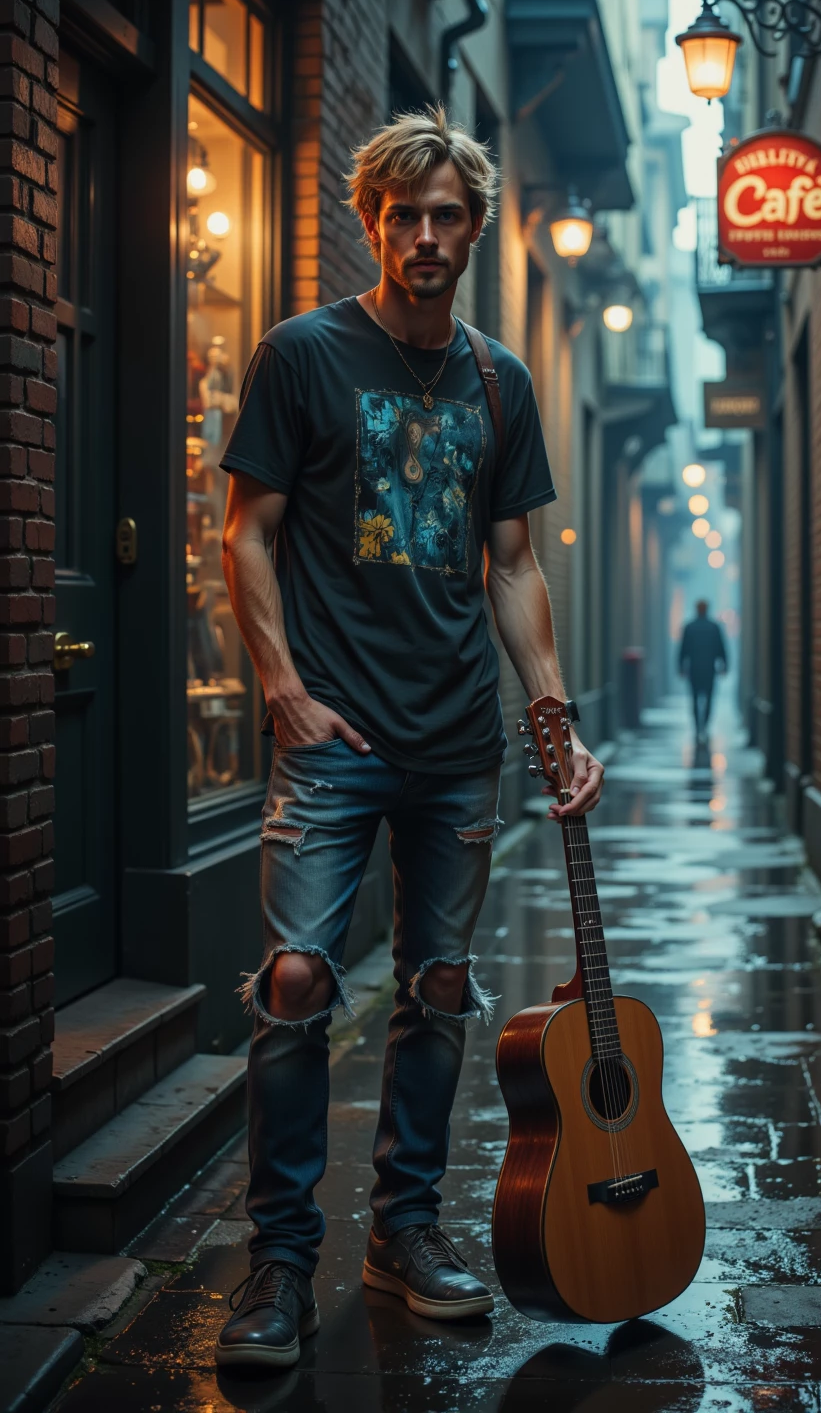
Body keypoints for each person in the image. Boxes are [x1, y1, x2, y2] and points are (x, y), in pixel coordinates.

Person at [213, 106, 605, 1371]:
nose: (426, 236)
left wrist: (551, 718)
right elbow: (248, 533)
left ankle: (404, 1231)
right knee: (293, 989)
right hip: (333, 733)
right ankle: (277, 1261)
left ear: (475, 229)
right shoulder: (301, 355)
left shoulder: (501, 378)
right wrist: (278, 684)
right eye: (405, 215)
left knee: (439, 994)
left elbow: (513, 565)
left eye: (447, 216)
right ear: (370, 220)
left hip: (456, 745)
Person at [678, 600, 728, 742]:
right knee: (709, 698)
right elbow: (721, 648)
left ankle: (697, 727)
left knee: (694, 699)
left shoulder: (689, 627)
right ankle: (704, 726)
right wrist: (724, 665)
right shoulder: (714, 627)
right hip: (709, 670)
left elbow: (683, 650)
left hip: (694, 669)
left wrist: (681, 667)